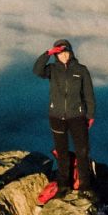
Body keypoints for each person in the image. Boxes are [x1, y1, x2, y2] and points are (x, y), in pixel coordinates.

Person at [34, 38, 96, 204]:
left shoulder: (81, 70)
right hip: (57, 117)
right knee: (61, 152)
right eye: (60, 53)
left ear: (71, 52)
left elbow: (89, 94)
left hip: (77, 117)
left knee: (82, 152)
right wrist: (48, 53)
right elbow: (37, 70)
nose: (63, 56)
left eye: (66, 52)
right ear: (56, 55)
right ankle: (63, 185)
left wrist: (90, 115)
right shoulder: (52, 70)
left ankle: (85, 186)